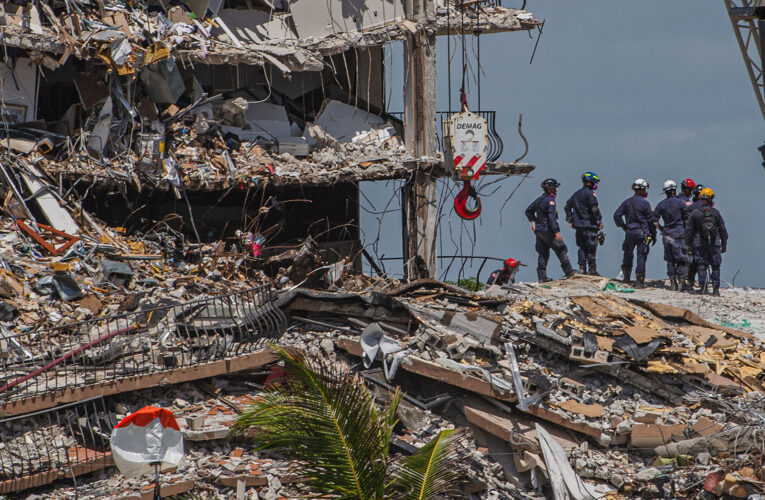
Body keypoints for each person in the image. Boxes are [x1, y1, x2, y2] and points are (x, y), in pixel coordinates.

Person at [524, 178, 575, 282]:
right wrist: (556, 231)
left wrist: (534, 222)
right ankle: (569, 272)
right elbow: (552, 217)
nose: (556, 191)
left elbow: (528, 211)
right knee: (561, 248)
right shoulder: (550, 201)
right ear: (549, 189)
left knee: (543, 253)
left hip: (539, 231)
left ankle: (542, 277)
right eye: (554, 188)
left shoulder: (539, 200)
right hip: (548, 230)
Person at [613, 179, 656, 288]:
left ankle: (626, 279)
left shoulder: (627, 202)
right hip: (642, 234)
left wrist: (624, 227)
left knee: (627, 255)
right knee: (641, 257)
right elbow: (651, 221)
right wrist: (653, 235)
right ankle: (640, 282)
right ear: (642, 190)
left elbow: (616, 215)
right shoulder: (646, 204)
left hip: (630, 233)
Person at [685, 188, 728, 295]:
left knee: (701, 265)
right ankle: (716, 289)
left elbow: (689, 230)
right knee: (716, 265)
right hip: (715, 243)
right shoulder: (716, 213)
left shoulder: (695, 213)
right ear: (711, 199)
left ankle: (703, 287)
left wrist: (688, 244)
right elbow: (723, 229)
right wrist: (724, 244)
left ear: (701, 199)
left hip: (699, 243)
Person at [564, 171, 604, 275]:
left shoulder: (576, 194)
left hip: (579, 227)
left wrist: (570, 219)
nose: (595, 185)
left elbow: (567, 207)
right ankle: (592, 269)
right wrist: (599, 220)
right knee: (591, 248)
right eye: (594, 183)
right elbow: (594, 209)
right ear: (589, 183)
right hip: (590, 226)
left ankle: (582, 268)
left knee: (581, 247)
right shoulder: (590, 194)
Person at [653, 180, 688, 291]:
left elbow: (654, 220)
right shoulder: (681, 203)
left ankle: (673, 284)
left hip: (667, 235)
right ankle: (681, 283)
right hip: (679, 235)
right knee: (681, 259)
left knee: (670, 260)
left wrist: (661, 228)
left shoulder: (661, 205)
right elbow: (687, 219)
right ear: (675, 190)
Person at [682, 183, 706, 290]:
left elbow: (687, 223)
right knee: (704, 261)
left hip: (694, 238)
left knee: (692, 259)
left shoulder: (692, 207)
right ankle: (704, 284)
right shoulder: (711, 209)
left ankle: (689, 279)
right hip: (708, 238)